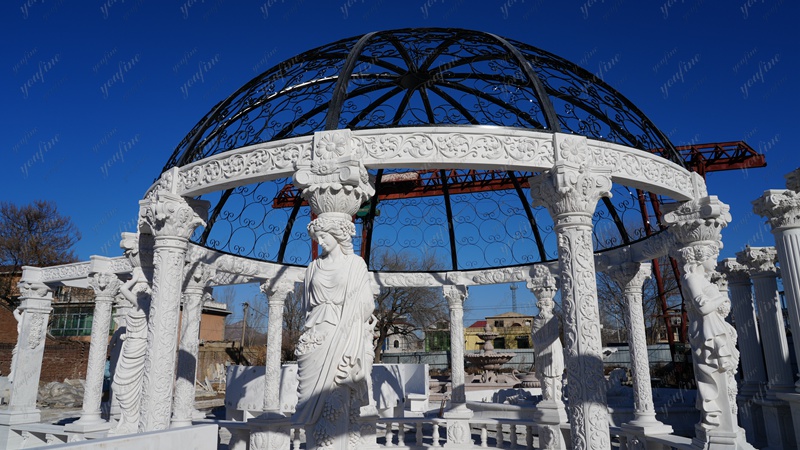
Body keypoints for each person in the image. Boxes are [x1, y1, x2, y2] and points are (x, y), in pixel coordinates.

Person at [294, 212, 376, 449]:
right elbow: (306, 306)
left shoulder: (355, 265)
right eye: (317, 237)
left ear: (338, 235)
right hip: (314, 337)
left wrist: (350, 317)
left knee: (337, 395)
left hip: (343, 334)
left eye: (324, 236)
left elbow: (367, 304)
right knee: (311, 395)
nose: (321, 242)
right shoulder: (313, 267)